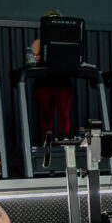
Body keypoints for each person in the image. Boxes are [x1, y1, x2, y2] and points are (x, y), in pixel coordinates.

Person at [29, 10, 75, 138]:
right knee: (47, 115)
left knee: (64, 114)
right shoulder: (39, 41)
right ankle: (46, 143)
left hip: (63, 82)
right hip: (44, 82)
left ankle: (63, 141)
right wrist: (45, 56)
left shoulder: (67, 42)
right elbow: (29, 60)